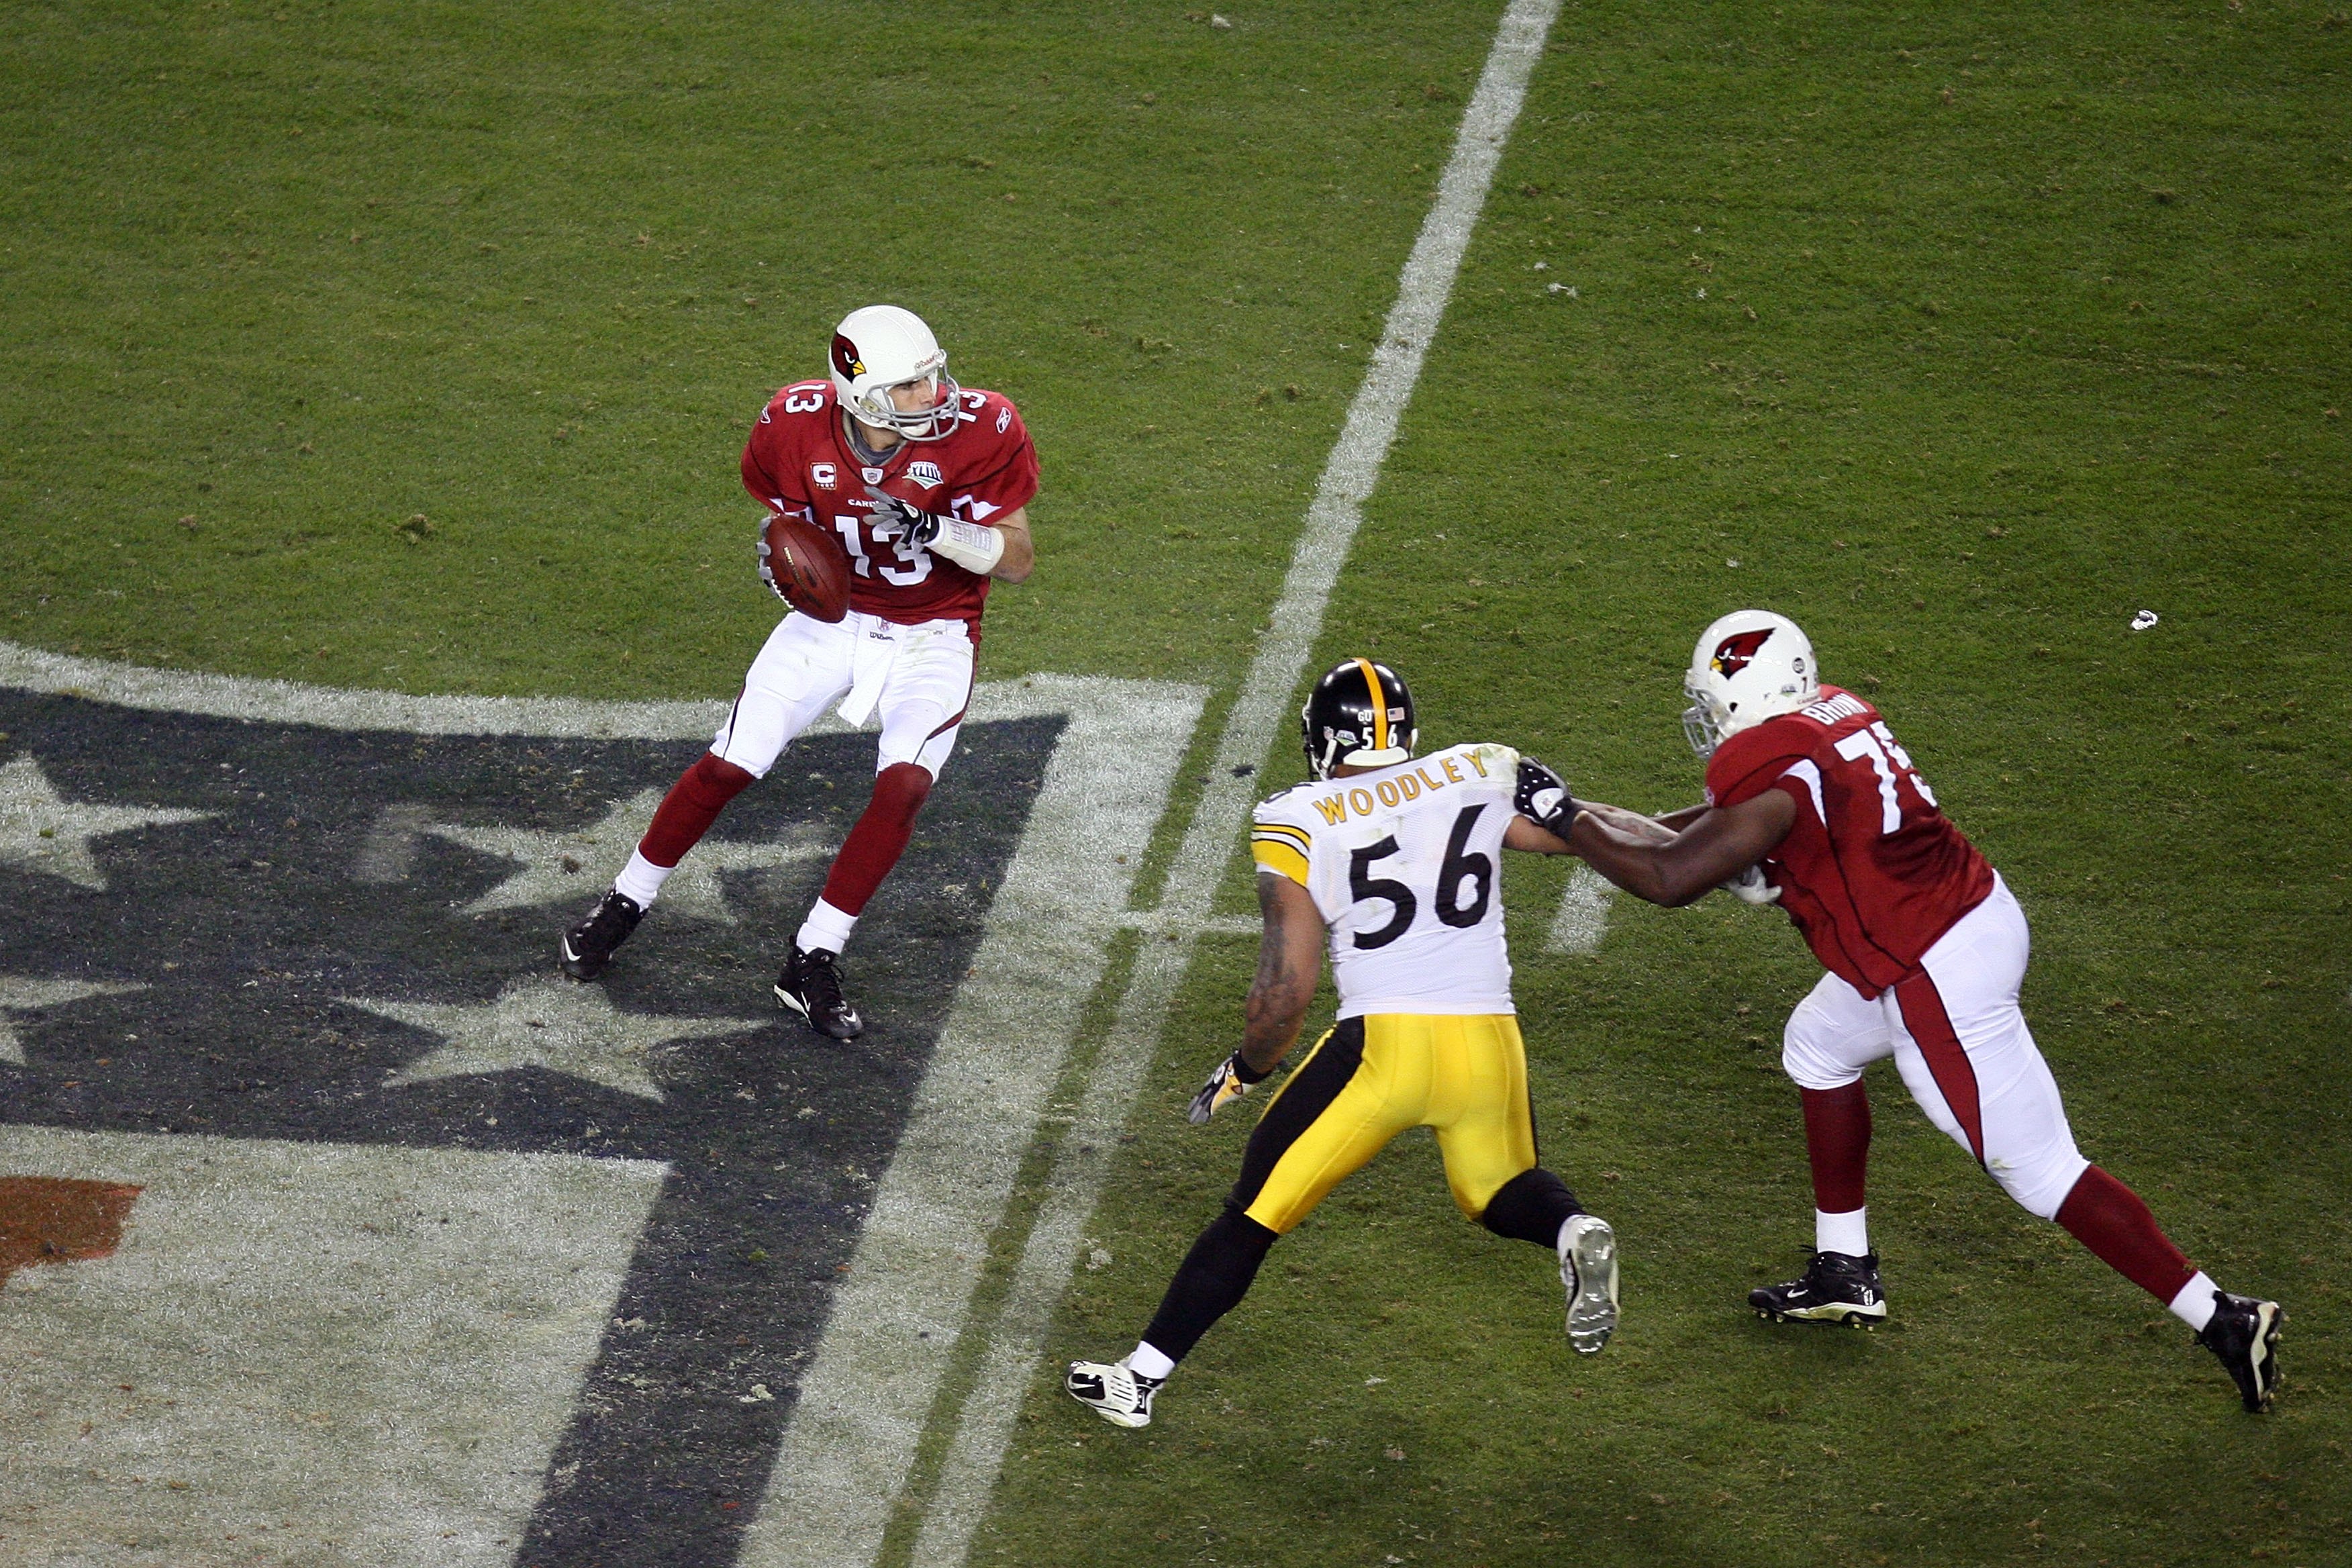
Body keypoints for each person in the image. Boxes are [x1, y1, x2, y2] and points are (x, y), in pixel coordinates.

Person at [1518, 608, 2284, 1412]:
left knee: (2041, 1167)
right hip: (1966, 913)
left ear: (1748, 692)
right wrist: (1577, 820)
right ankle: (1844, 1269)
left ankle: (2223, 1316)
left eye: (1713, 699)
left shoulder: (1769, 764)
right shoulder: (1830, 715)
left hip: (1930, 965)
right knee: (1816, 1045)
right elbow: (1708, 834)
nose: (1709, 718)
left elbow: (1672, 879)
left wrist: (1568, 817)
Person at [1065, 658, 1619, 1430]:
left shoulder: (1300, 814)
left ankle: (1140, 1379)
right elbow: (1597, 836)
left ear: (1323, 738)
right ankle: (1569, 1228)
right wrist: (1719, 837)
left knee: (1254, 1211)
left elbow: (1284, 991)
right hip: (1491, 1036)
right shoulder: (1478, 768)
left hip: (1385, 1048)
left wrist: (1250, 1067)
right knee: (1499, 1189)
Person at [560, 305, 1038, 1040]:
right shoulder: (791, 422)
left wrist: (936, 529)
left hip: (935, 627)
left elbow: (1018, 560)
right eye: (909, 387)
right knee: (731, 762)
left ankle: (814, 951)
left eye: (934, 375)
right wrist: (784, 556)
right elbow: (789, 524)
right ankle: (626, 899)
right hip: (834, 619)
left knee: (906, 782)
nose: (934, 395)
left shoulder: (984, 426)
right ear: (857, 391)